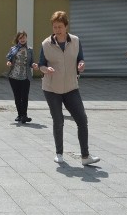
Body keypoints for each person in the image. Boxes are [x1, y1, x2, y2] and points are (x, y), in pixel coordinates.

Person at [38, 11, 101, 166]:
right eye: (55, 27)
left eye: (60, 26)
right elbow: (41, 64)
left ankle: (85, 156)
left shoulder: (75, 41)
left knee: (82, 119)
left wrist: (81, 64)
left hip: (71, 87)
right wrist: (46, 69)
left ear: (66, 26)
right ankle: (59, 153)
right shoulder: (46, 44)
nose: (57, 30)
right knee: (58, 120)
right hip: (52, 88)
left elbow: (80, 58)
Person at [6, 31, 38, 123]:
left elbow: (31, 62)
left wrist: (34, 65)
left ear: (26, 38)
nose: (22, 39)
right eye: (20, 38)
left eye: (24, 37)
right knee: (17, 96)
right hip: (14, 76)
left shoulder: (30, 49)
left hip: (25, 76)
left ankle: (24, 115)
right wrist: (9, 63)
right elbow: (9, 59)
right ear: (18, 39)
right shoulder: (13, 49)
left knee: (24, 96)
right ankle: (19, 115)